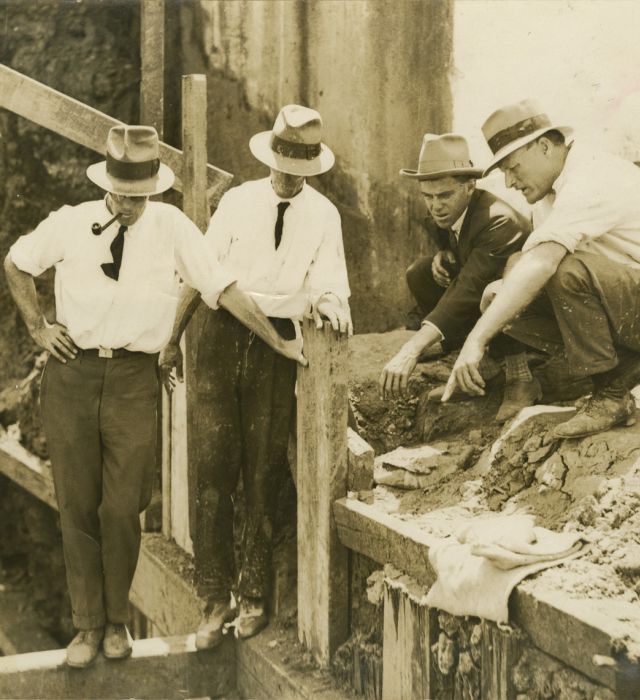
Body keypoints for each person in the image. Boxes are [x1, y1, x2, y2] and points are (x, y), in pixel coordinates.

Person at [3, 124, 304, 668]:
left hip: (134, 381)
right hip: (71, 375)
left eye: (140, 198)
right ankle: (86, 627)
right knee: (76, 503)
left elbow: (222, 286)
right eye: (122, 196)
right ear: (106, 187)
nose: (130, 207)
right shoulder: (70, 223)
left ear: (154, 191)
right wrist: (38, 327)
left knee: (122, 506)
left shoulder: (172, 226)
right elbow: (16, 263)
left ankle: (117, 621)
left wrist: (278, 342)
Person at [159, 104, 352, 650]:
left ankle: (254, 594)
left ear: (312, 170)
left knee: (263, 472)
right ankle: (213, 597)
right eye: (282, 164)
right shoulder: (238, 202)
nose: (288, 177)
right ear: (270, 157)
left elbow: (329, 280)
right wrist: (174, 340)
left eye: (300, 169)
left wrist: (333, 303)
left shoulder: (325, 216)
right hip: (220, 335)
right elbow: (200, 274)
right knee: (212, 469)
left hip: (279, 346)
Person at [443, 99, 640, 438]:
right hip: (636, 303)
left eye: (514, 168)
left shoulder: (590, 176)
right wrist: (498, 307)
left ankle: (611, 396)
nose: (510, 182)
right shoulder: (547, 194)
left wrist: (476, 340)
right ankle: (627, 368)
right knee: (498, 297)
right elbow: (525, 263)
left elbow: (545, 262)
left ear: (543, 146)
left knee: (561, 270)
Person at [380, 133, 536, 422]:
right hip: (480, 285)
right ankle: (470, 362)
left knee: (495, 291)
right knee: (421, 272)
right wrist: (443, 253)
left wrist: (412, 348)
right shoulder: (443, 214)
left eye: (444, 196)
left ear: (470, 186)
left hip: (529, 311)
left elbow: (468, 289)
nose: (435, 205)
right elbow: (458, 246)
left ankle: (520, 377)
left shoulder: (498, 220)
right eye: (428, 197)